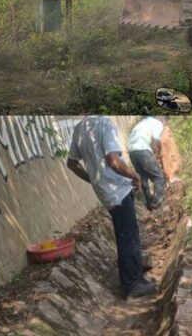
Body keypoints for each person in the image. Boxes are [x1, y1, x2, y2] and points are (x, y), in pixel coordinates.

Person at [66, 116, 156, 298]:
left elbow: (72, 163)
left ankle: (137, 276)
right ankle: (131, 285)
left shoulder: (80, 128)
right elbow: (113, 161)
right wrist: (134, 176)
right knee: (128, 238)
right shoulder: (105, 124)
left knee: (129, 235)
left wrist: (93, 180)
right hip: (118, 190)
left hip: (106, 192)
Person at [127, 116, 167, 210]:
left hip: (132, 152)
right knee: (158, 176)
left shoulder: (140, 124)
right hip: (142, 149)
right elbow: (156, 138)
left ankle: (149, 205)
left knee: (143, 178)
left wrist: (154, 152)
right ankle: (157, 201)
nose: (165, 124)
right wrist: (160, 151)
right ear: (162, 118)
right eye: (165, 121)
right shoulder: (157, 123)